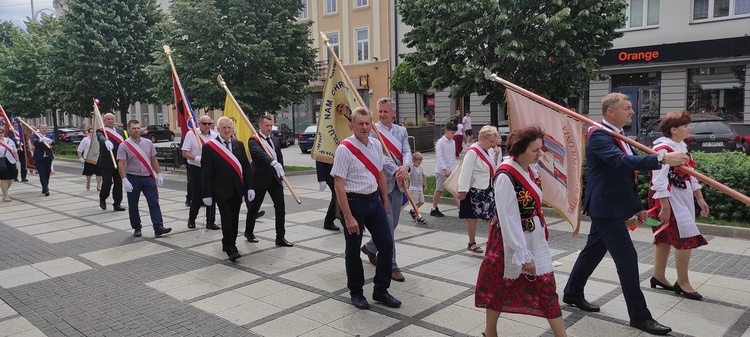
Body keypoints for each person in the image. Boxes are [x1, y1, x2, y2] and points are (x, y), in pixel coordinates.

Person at [563, 93, 688, 336]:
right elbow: (621, 162)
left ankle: (572, 292)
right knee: (627, 259)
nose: (632, 111)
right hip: (605, 207)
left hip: (614, 204)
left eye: (631, 108)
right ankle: (640, 317)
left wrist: (637, 206)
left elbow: (625, 178)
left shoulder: (618, 135)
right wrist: (662, 159)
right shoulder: (598, 134)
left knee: (592, 251)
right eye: (627, 108)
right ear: (610, 112)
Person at [476, 126, 566, 337]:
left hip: (532, 238)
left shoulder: (529, 169)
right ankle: (490, 332)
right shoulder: (506, 175)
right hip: (510, 241)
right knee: (499, 287)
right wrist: (521, 252)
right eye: (535, 150)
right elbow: (508, 218)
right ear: (521, 150)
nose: (540, 154)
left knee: (546, 288)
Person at [332, 106, 401, 309]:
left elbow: (379, 173)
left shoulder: (375, 145)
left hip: (374, 201)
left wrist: (385, 201)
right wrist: (348, 216)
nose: (364, 127)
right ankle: (356, 292)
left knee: (386, 244)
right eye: (360, 124)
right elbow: (338, 184)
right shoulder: (345, 149)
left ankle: (381, 290)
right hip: (353, 204)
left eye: (367, 123)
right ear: (351, 125)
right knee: (353, 251)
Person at [648, 110, 709, 300]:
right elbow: (657, 180)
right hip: (667, 199)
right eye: (685, 125)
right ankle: (682, 282)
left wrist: (699, 198)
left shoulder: (682, 146)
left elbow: (691, 175)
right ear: (673, 129)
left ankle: (658, 276)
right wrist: (664, 206)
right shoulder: (663, 149)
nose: (688, 128)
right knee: (685, 238)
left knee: (665, 237)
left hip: (682, 197)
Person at [362, 97, 412, 282]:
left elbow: (407, 151)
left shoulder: (402, 131)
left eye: (386, 111)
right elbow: (379, 157)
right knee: (388, 227)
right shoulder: (373, 131)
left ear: (393, 113)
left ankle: (370, 247)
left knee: (394, 223)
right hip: (382, 184)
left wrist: (405, 167)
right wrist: (397, 170)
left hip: (399, 183)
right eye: (380, 111)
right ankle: (392, 265)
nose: (382, 115)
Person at [201, 117, 254, 261]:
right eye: (223, 128)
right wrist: (206, 194)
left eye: (229, 128)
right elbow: (206, 172)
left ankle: (227, 242)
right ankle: (231, 248)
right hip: (220, 191)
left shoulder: (238, 144)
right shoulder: (210, 147)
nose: (226, 130)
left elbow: (246, 168)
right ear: (217, 129)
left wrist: (250, 188)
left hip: (237, 190)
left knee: (235, 218)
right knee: (227, 218)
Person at [117, 120, 171, 238]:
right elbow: (121, 163)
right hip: (132, 177)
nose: (137, 130)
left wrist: (159, 173)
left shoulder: (148, 143)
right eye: (134, 128)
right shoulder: (124, 145)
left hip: (147, 177)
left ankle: (158, 227)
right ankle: (137, 227)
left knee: (154, 202)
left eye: (138, 128)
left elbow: (153, 159)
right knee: (133, 204)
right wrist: (124, 179)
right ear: (129, 130)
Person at [244, 115, 292, 247]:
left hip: (275, 179)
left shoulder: (275, 140)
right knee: (254, 207)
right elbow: (259, 154)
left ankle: (280, 237)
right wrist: (273, 163)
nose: (269, 128)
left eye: (271, 125)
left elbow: (279, 158)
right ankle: (249, 232)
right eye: (266, 125)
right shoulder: (254, 140)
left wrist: (282, 175)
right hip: (260, 178)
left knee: (280, 206)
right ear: (260, 125)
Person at [458, 125, 501, 254]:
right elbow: (465, 172)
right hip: (473, 190)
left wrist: (495, 157)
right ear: (482, 138)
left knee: (490, 216)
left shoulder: (486, 150)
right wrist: (462, 190)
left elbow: (490, 167)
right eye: (491, 141)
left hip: (486, 188)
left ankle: (491, 242)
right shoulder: (473, 151)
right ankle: (472, 242)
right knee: (472, 217)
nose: (492, 144)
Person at [181, 115, 220, 230]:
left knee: (211, 195)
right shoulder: (192, 134)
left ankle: (210, 221)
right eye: (204, 123)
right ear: (199, 123)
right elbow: (185, 152)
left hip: (211, 169)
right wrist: (198, 158)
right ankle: (192, 219)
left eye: (209, 124)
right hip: (196, 168)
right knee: (197, 196)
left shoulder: (214, 135)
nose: (207, 126)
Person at [98, 113, 127, 211]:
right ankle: (103, 198)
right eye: (108, 119)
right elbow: (100, 137)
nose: (110, 120)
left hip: (119, 160)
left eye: (112, 119)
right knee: (107, 183)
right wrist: (106, 141)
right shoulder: (101, 130)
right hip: (106, 161)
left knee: (119, 183)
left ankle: (117, 204)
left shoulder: (120, 131)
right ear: (105, 120)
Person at [430, 122, 458, 217]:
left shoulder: (453, 142)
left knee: (455, 190)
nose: (453, 135)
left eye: (454, 133)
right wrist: (445, 169)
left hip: (451, 170)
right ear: (446, 132)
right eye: (452, 133)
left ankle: (461, 210)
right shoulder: (440, 142)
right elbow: (439, 157)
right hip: (441, 171)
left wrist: (452, 169)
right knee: (439, 189)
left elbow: (452, 157)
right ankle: (434, 208)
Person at [316, 161, 341, 231]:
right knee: (337, 197)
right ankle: (329, 221)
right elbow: (320, 159)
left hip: (341, 173)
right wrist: (321, 179)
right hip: (330, 174)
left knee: (339, 197)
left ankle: (331, 220)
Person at [31, 123, 54, 196]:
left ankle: (45, 186)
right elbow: (35, 141)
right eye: (42, 128)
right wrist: (41, 140)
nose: (44, 129)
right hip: (39, 158)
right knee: (42, 174)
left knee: (47, 174)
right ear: (39, 129)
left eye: (45, 128)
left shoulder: (50, 135)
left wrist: (49, 141)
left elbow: (53, 142)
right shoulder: (36, 135)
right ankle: (46, 188)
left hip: (48, 157)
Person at [0, 118, 19, 202]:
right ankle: (5, 196)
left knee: (11, 179)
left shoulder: (9, 141)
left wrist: (17, 161)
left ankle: (4, 191)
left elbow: (15, 152)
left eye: (2, 132)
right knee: (4, 179)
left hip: (11, 161)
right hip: (1, 162)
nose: (1, 133)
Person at [407, 152, 427, 224]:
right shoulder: (411, 168)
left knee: (421, 201)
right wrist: (407, 185)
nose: (419, 164)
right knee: (415, 203)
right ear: (413, 161)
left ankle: (413, 211)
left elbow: (424, 176)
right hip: (413, 188)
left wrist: (425, 186)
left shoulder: (421, 168)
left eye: (420, 162)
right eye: (417, 162)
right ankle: (418, 216)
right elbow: (407, 176)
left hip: (419, 187)